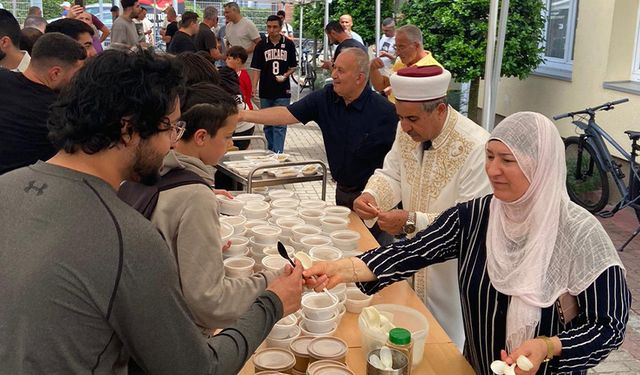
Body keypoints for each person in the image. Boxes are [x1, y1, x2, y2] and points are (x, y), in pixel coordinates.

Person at [0, 49, 305, 373]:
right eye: (171, 128)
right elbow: (198, 368)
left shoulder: (6, 187)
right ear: (129, 129)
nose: (173, 143)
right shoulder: (129, 239)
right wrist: (272, 303)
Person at [305, 111, 631, 375]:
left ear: (540, 165)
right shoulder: (476, 217)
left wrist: (548, 347)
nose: (493, 170)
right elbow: (410, 252)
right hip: (477, 366)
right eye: (489, 156)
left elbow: (609, 325)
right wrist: (338, 270)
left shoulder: (579, 234)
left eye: (507, 160)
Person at [121, 83, 283, 330]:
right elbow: (209, 302)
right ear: (201, 137)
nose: (230, 145)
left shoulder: (146, 169)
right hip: (173, 334)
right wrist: (273, 282)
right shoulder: (195, 196)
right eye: (227, 137)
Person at [353, 65, 492, 350]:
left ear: (440, 109)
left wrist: (410, 221)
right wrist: (371, 196)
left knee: (445, 346)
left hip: (451, 272)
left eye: (412, 118)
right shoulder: (407, 128)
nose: (404, 126)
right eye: (400, 117)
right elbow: (392, 173)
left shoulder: (476, 146)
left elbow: (470, 221)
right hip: (410, 263)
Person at [241, 48, 397, 208]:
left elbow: (401, 161)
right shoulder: (326, 98)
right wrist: (243, 115)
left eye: (341, 71)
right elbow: (285, 114)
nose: (334, 75)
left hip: (375, 198)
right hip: (342, 193)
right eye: (334, 68)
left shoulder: (386, 112)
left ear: (359, 78)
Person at [0, 32, 86, 175]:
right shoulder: (58, 112)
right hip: (25, 189)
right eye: (76, 74)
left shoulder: (3, 78)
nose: (78, 81)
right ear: (55, 74)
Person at [250, 14, 297, 153]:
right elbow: (256, 68)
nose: (272, 30)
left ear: (281, 27)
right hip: (265, 89)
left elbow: (293, 66)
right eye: (269, 27)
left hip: (283, 90)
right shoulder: (261, 45)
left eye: (275, 26)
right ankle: (271, 150)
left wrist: (285, 75)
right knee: (268, 124)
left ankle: (278, 153)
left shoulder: (288, 44)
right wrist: (254, 87)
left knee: (280, 124)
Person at [370, 25, 441, 101]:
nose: (397, 53)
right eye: (396, 47)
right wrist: (373, 69)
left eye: (401, 47)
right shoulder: (401, 62)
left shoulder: (434, 69)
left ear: (416, 45)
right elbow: (381, 86)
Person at [223, 1, 260, 68]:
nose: (225, 15)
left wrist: (244, 52)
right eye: (224, 13)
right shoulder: (228, 26)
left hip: (247, 65)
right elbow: (228, 42)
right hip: (233, 65)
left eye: (227, 12)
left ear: (235, 10)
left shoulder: (248, 24)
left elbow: (259, 43)